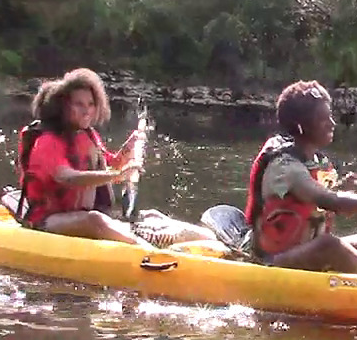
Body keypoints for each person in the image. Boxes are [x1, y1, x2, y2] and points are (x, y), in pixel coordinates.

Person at [243, 80, 357, 280]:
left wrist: (342, 186)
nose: (332, 123)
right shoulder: (286, 167)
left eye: (330, 116)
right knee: (329, 245)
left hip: (306, 255)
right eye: (323, 119)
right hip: (272, 262)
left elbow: (311, 198)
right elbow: (332, 202)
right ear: (301, 126)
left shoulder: (313, 159)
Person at [17, 68, 213, 250]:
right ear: (63, 106)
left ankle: (212, 242)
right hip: (48, 220)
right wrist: (115, 175)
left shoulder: (88, 135)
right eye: (79, 104)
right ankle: (147, 252)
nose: (87, 110)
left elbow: (109, 166)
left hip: (82, 215)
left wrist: (126, 152)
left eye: (91, 104)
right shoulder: (47, 141)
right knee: (94, 220)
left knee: (152, 215)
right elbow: (68, 177)